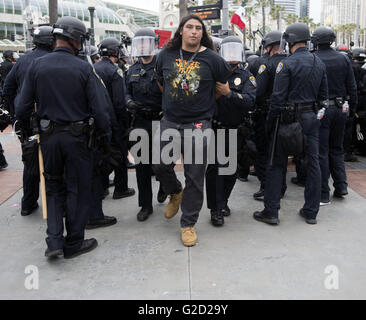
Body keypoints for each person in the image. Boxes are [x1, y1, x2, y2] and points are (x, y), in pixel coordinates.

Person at [16, 16, 111, 259]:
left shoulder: (37, 65)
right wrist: (104, 135)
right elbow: (100, 109)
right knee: (76, 189)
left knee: (53, 187)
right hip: (78, 139)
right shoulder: (83, 68)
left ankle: (54, 241)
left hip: (48, 137)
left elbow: (21, 107)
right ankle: (74, 242)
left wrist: (30, 130)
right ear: (76, 39)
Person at [153, 14, 232, 246]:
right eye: (189, 27)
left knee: (195, 176)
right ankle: (175, 191)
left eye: (198, 28)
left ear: (202, 33)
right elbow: (161, 81)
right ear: (181, 31)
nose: (194, 32)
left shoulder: (213, 59)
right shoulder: (165, 55)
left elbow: (223, 86)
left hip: (198, 124)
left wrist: (205, 103)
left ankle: (188, 224)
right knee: (159, 164)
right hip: (170, 121)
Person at [253, 23, 328, 225]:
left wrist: (270, 124)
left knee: (276, 165)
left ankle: (271, 211)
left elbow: (277, 99)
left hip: (286, 120)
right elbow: (323, 96)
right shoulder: (318, 63)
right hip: (310, 119)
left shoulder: (285, 64)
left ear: (290, 40)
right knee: (313, 164)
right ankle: (311, 212)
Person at [3, 26, 55, 216]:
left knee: (31, 161)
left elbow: (7, 88)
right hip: (49, 119)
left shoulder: (23, 60)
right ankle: (54, 204)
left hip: (25, 120)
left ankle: (28, 203)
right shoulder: (52, 60)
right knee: (53, 162)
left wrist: (15, 111)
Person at [205, 36, 256, 226]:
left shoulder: (246, 75)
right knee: (215, 171)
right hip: (216, 129)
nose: (232, 55)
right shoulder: (213, 73)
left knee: (231, 171)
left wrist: (229, 94)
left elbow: (250, 100)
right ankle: (215, 209)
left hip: (236, 131)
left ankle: (223, 201)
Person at [311, 27, 357, 205]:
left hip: (322, 110)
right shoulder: (343, 58)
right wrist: (351, 109)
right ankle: (341, 186)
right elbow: (352, 87)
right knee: (337, 149)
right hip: (341, 109)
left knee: (322, 152)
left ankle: (323, 193)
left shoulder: (314, 59)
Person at [125, 28, 166, 222]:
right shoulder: (132, 69)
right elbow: (125, 92)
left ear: (153, 43)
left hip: (160, 121)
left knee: (163, 163)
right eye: (139, 43)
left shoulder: (162, 66)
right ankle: (145, 205)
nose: (142, 47)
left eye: (145, 42)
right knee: (142, 166)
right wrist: (128, 102)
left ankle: (166, 186)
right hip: (140, 122)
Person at [94, 37, 135, 200]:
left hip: (98, 118)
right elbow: (119, 101)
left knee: (102, 153)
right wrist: (125, 123)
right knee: (120, 153)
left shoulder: (93, 68)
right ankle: (121, 188)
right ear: (115, 52)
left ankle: (103, 186)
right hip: (115, 119)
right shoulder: (115, 70)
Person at [253, 30, 287, 201]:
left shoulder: (265, 64)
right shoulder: (289, 61)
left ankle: (266, 185)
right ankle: (281, 186)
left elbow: (258, 92)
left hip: (267, 113)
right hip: (287, 114)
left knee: (264, 152)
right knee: (281, 152)